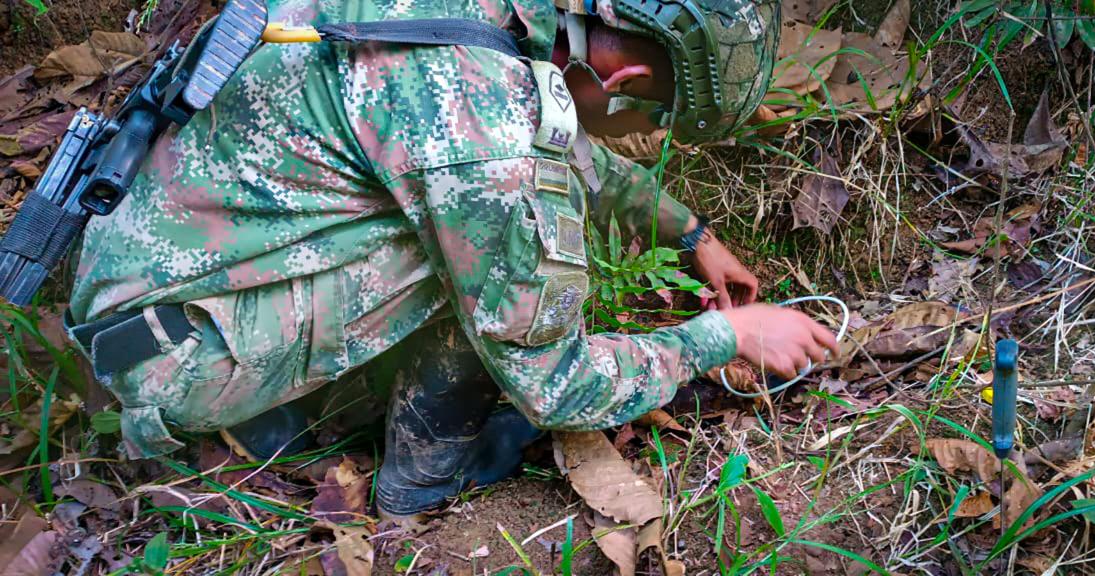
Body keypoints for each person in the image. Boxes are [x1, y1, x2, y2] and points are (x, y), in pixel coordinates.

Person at [66, 0, 837, 518]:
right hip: (179, 357)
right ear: (628, 81)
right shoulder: (483, 137)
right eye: (652, 117)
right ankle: (423, 479)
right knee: (503, 258)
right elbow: (558, 385)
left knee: (491, 219)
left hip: (155, 280)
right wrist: (726, 339)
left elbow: (535, 124)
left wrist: (689, 233)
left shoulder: (494, 18)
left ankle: (294, 405)